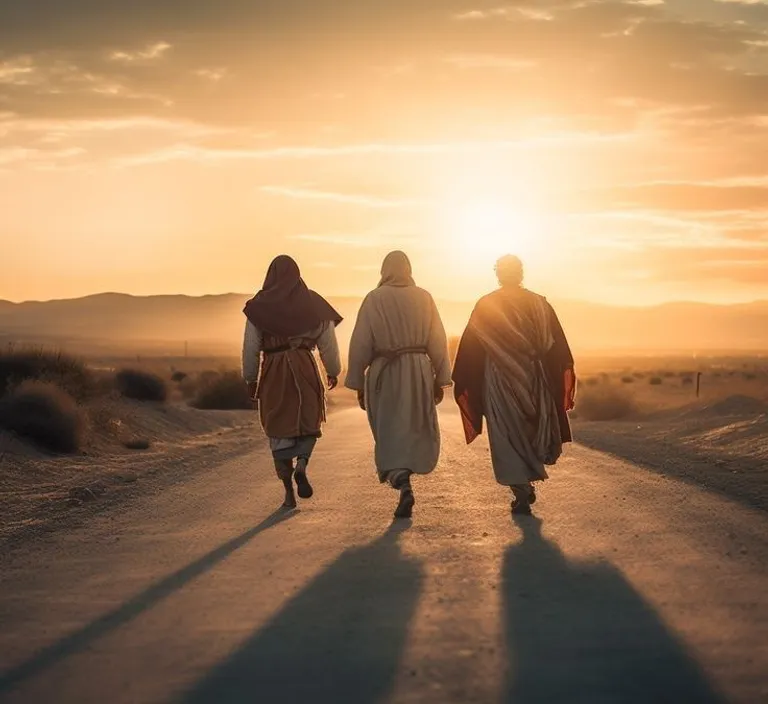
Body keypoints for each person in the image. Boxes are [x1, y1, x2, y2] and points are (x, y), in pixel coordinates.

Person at [452, 255, 576, 515]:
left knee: (506, 434)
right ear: (521, 273)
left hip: (499, 378)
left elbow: (470, 352)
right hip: (535, 376)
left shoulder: (486, 304)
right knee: (531, 429)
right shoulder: (539, 304)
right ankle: (526, 482)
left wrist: (467, 383)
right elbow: (558, 349)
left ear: (498, 274)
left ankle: (520, 488)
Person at [346, 251, 452, 519]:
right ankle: (407, 473)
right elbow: (437, 339)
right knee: (415, 426)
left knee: (389, 429)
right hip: (418, 370)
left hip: (385, 372)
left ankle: (401, 480)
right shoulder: (423, 297)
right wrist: (440, 377)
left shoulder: (374, 298)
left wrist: (358, 381)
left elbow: (361, 342)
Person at [242, 255, 342, 509]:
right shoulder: (314, 303)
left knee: (277, 425)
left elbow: (251, 346)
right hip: (305, 366)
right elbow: (328, 342)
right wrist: (332, 370)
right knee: (309, 420)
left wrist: (250, 378)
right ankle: (303, 464)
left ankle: (288, 492)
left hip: (273, 370)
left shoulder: (259, 306)